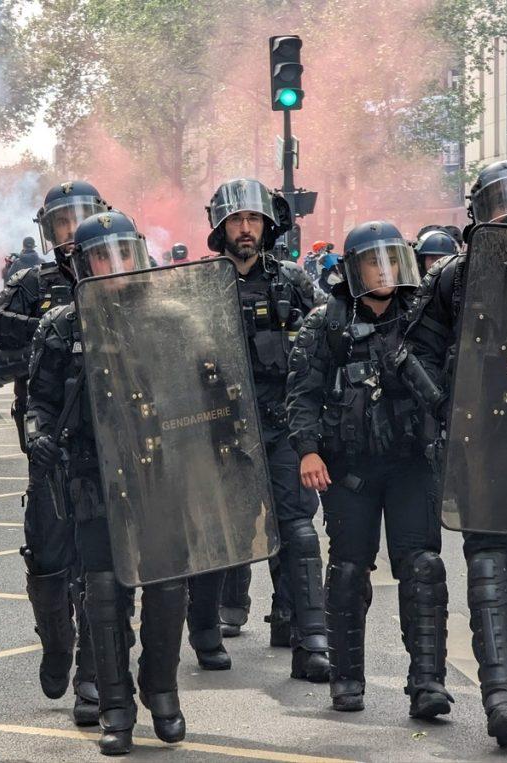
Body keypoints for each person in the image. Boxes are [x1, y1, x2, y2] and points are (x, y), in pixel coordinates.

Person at [400, 159, 507, 745]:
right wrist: (448, 406)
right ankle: (499, 698)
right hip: (483, 438)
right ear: (478, 215)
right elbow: (411, 351)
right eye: (500, 202)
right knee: (489, 558)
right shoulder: (454, 277)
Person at [26, 211, 188, 755]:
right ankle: (116, 709)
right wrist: (37, 434)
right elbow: (40, 402)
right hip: (93, 478)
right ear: (80, 264)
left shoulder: (170, 316)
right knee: (102, 592)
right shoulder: (61, 326)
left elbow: (209, 390)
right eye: (102, 255)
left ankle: (161, 690)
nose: (115, 265)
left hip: (159, 473)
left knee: (167, 587)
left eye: (123, 252)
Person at [286, 220, 452, 719]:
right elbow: (302, 394)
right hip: (349, 469)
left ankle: (428, 683)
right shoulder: (326, 322)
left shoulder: (424, 317)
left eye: (390, 259)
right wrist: (308, 450)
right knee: (348, 570)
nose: (383, 271)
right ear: (354, 269)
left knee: (423, 567)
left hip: (410, 465)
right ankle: (347, 679)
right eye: (371, 262)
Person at [0, 180, 110, 728]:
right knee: (51, 557)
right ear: (48, 231)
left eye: (81, 219)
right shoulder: (29, 287)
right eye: (61, 222)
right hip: (49, 443)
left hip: (113, 443)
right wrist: (43, 347)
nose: (72, 231)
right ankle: (56, 644)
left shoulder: (124, 273)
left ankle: (93, 677)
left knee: (103, 565)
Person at [189, 178, 329, 683]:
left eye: (253, 220)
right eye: (236, 220)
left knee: (296, 528)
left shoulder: (294, 282)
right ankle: (204, 629)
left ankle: (311, 635)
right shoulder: (197, 284)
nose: (245, 229)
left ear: (267, 226)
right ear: (220, 227)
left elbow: (326, 343)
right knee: (215, 530)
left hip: (281, 425)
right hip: (219, 428)